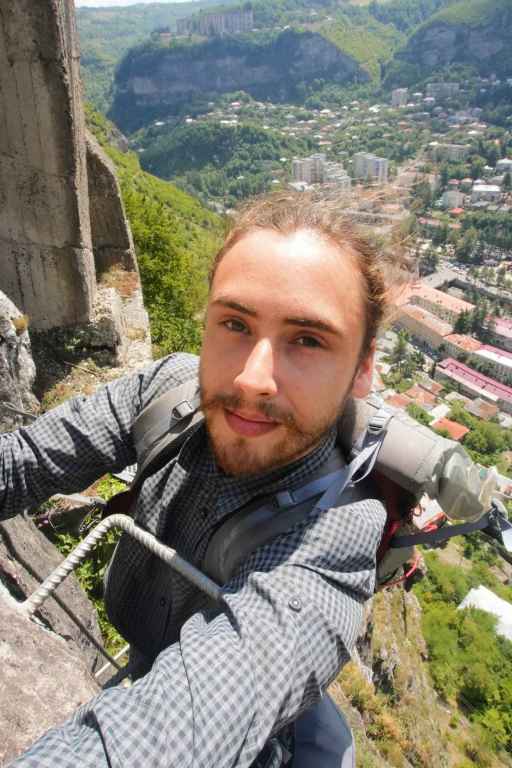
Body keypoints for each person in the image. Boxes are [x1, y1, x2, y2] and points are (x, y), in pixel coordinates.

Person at [1, 192, 408, 767]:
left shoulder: (336, 534)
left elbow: (185, 725)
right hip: (145, 654)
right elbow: (23, 462)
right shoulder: (169, 394)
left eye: (308, 339)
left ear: (362, 368)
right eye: (235, 324)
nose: (253, 379)